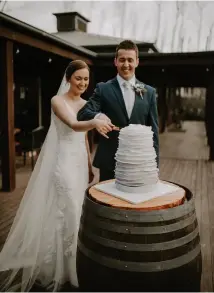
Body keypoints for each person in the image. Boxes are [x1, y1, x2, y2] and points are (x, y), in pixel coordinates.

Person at [0, 60, 116, 292]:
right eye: (78, 78)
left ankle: (75, 262)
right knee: (68, 209)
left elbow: (83, 137)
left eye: (86, 79)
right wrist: (94, 121)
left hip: (79, 163)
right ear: (68, 78)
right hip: (62, 161)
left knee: (79, 210)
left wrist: (88, 162)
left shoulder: (86, 103)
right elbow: (74, 125)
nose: (82, 83)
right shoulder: (57, 101)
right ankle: (62, 269)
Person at [77, 40, 159, 181]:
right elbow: (82, 114)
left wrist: (155, 167)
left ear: (137, 62)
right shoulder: (103, 89)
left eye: (130, 60)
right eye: (122, 60)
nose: (126, 65)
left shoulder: (149, 92)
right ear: (115, 62)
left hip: (139, 163)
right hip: (109, 162)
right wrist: (99, 116)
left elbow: (154, 133)